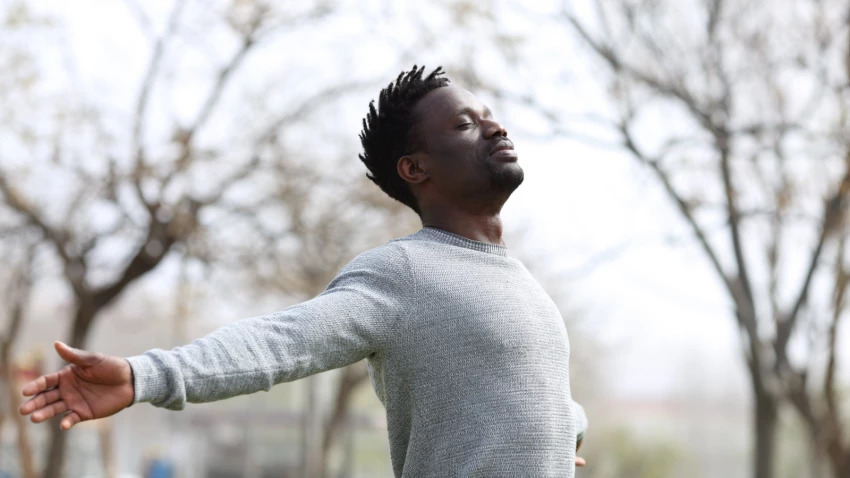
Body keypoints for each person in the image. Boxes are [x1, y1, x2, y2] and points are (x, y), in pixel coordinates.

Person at [19, 66, 589, 477]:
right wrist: (147, 374)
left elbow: (524, 394)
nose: (494, 129)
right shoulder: (405, 273)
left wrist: (563, 432)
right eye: (466, 124)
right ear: (415, 168)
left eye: (489, 118)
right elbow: (280, 343)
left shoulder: (519, 280)